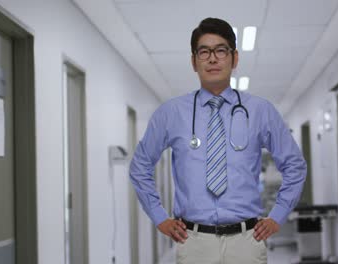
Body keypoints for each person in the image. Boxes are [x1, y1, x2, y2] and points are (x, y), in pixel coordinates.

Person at [129, 17, 307, 264]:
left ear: (234, 59)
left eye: (221, 51)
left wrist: (278, 215)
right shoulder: (171, 113)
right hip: (193, 243)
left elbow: (295, 165)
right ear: (194, 62)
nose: (212, 59)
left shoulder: (260, 111)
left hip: (247, 242)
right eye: (204, 52)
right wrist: (160, 217)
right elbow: (140, 167)